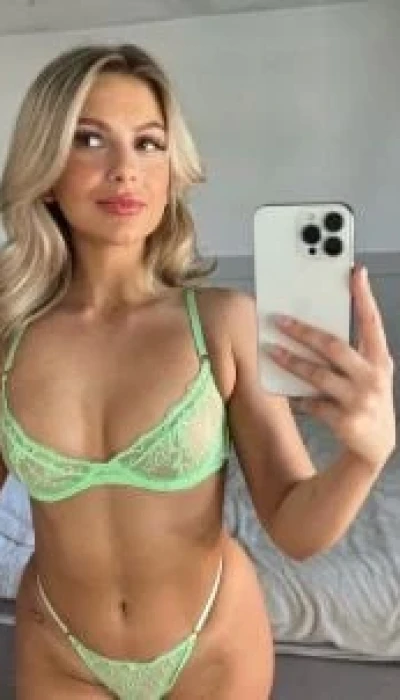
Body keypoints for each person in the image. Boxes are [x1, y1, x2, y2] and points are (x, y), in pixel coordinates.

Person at [0, 43, 395, 700]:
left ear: (171, 170)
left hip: (210, 647)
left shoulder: (222, 323)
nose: (126, 169)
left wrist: (365, 455)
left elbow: (296, 530)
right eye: (90, 139)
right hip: (59, 646)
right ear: (44, 169)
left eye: (148, 143)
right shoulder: (9, 339)